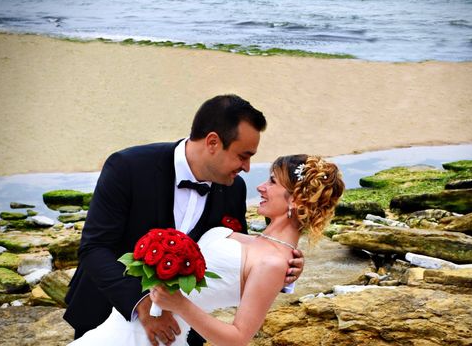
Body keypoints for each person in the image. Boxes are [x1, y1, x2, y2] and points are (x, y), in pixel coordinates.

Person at [64, 94, 304, 345]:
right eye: (243, 155)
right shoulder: (128, 166)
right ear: (213, 142)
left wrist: (285, 267)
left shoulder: (234, 188)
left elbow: (242, 264)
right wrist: (142, 304)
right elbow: (94, 247)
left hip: (181, 332)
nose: (246, 167)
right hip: (108, 312)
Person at [69, 154, 345, 346]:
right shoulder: (260, 245)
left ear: (295, 199)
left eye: (272, 181)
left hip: (158, 336)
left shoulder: (275, 262)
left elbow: (238, 339)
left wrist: (179, 304)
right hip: (120, 324)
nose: (260, 186)